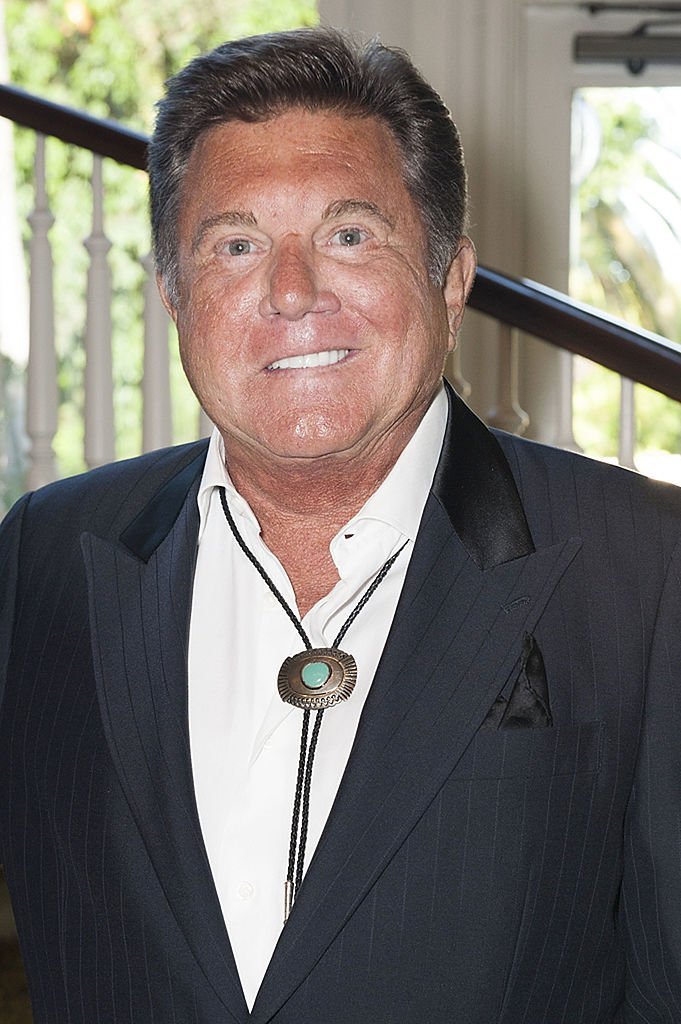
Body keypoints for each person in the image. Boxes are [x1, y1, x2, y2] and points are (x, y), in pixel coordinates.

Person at [1, 26, 680, 1024]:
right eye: (235, 245)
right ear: (174, 297)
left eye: (349, 234)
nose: (291, 292)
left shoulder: (645, 571)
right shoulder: (45, 556)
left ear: (451, 278)